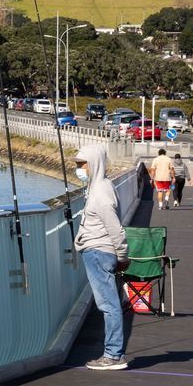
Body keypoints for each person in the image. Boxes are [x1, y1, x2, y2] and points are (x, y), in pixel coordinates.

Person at [73, 142, 130, 371]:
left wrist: (123, 254)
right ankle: (113, 353)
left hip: (99, 252)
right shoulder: (100, 187)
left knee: (108, 305)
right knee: (108, 303)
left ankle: (113, 355)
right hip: (98, 251)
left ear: (94, 164)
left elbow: (115, 227)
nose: (79, 169)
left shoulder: (101, 192)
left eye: (82, 165)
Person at [130, 159, 155, 227]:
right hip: (166, 179)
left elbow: (152, 169)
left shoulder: (156, 160)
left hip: (159, 179)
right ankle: (168, 200)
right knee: (166, 191)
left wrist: (152, 178)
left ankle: (161, 205)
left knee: (160, 192)